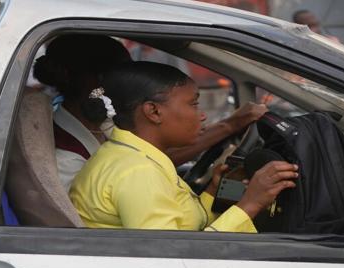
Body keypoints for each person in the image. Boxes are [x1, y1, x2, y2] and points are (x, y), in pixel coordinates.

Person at [68, 62, 296, 233]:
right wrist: (250, 204)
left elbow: (184, 226)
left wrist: (212, 193)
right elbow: (176, 261)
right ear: (154, 112)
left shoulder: (131, 155)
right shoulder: (137, 172)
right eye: (194, 104)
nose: (203, 115)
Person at [33, 35, 268, 190]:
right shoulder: (65, 156)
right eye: (117, 74)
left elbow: (153, 154)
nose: (127, 83)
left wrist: (230, 126)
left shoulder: (101, 121)